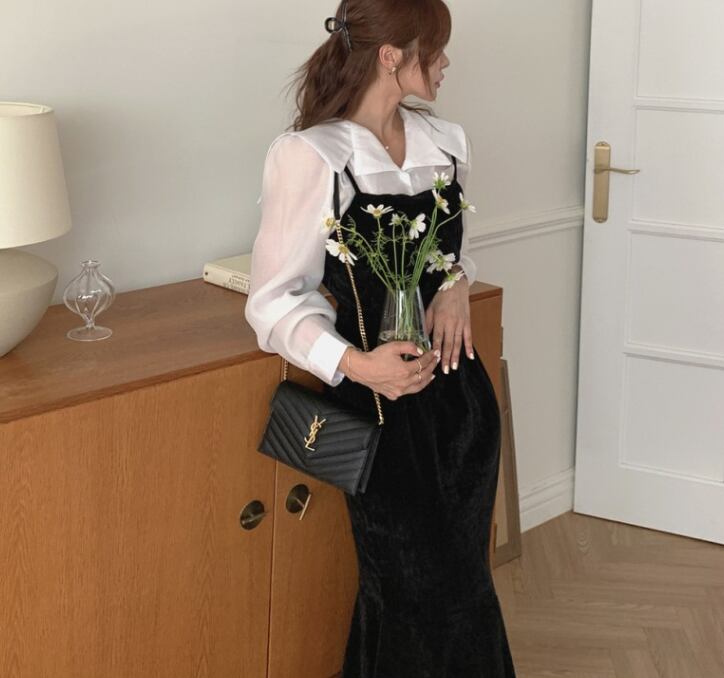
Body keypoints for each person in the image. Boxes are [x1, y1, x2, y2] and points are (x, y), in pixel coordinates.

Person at [245, 1, 517, 675]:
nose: (447, 63)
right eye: (436, 49)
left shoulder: (446, 143)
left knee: (464, 591)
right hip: (380, 412)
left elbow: (455, 253)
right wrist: (358, 365)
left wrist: (456, 284)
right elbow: (273, 302)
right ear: (392, 56)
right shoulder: (313, 156)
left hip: (462, 405)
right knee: (407, 596)